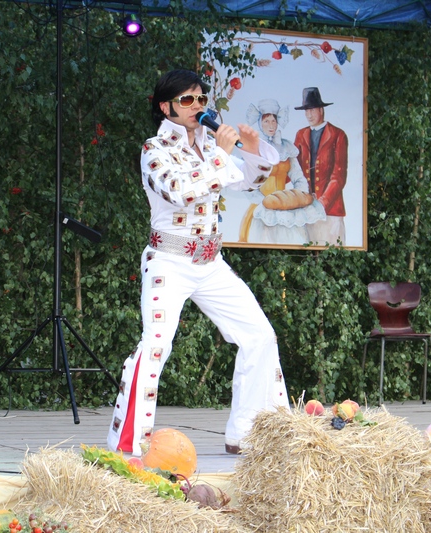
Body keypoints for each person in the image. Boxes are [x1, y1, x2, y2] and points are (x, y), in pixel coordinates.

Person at [107, 69, 290, 456]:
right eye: (187, 100)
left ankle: (250, 434)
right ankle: (129, 445)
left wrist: (253, 150)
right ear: (166, 107)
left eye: (201, 99)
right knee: (156, 345)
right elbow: (181, 191)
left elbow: (247, 182)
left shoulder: (209, 144)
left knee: (259, 335)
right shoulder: (154, 149)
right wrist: (222, 154)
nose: (197, 107)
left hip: (210, 263)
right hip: (169, 261)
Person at [238, 99, 325, 244]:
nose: (271, 125)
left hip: (286, 209)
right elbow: (248, 185)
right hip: (261, 209)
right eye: (266, 121)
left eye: (274, 121)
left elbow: (298, 177)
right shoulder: (253, 148)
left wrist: (298, 198)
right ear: (260, 123)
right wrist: (264, 203)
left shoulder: (286, 147)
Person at [293, 87, 349, 245]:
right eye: (306, 111)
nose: (308, 115)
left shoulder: (338, 135)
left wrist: (322, 204)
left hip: (331, 212)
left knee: (332, 254)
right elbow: (293, 168)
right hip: (306, 210)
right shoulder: (301, 134)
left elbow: (338, 177)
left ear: (321, 109)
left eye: (312, 109)